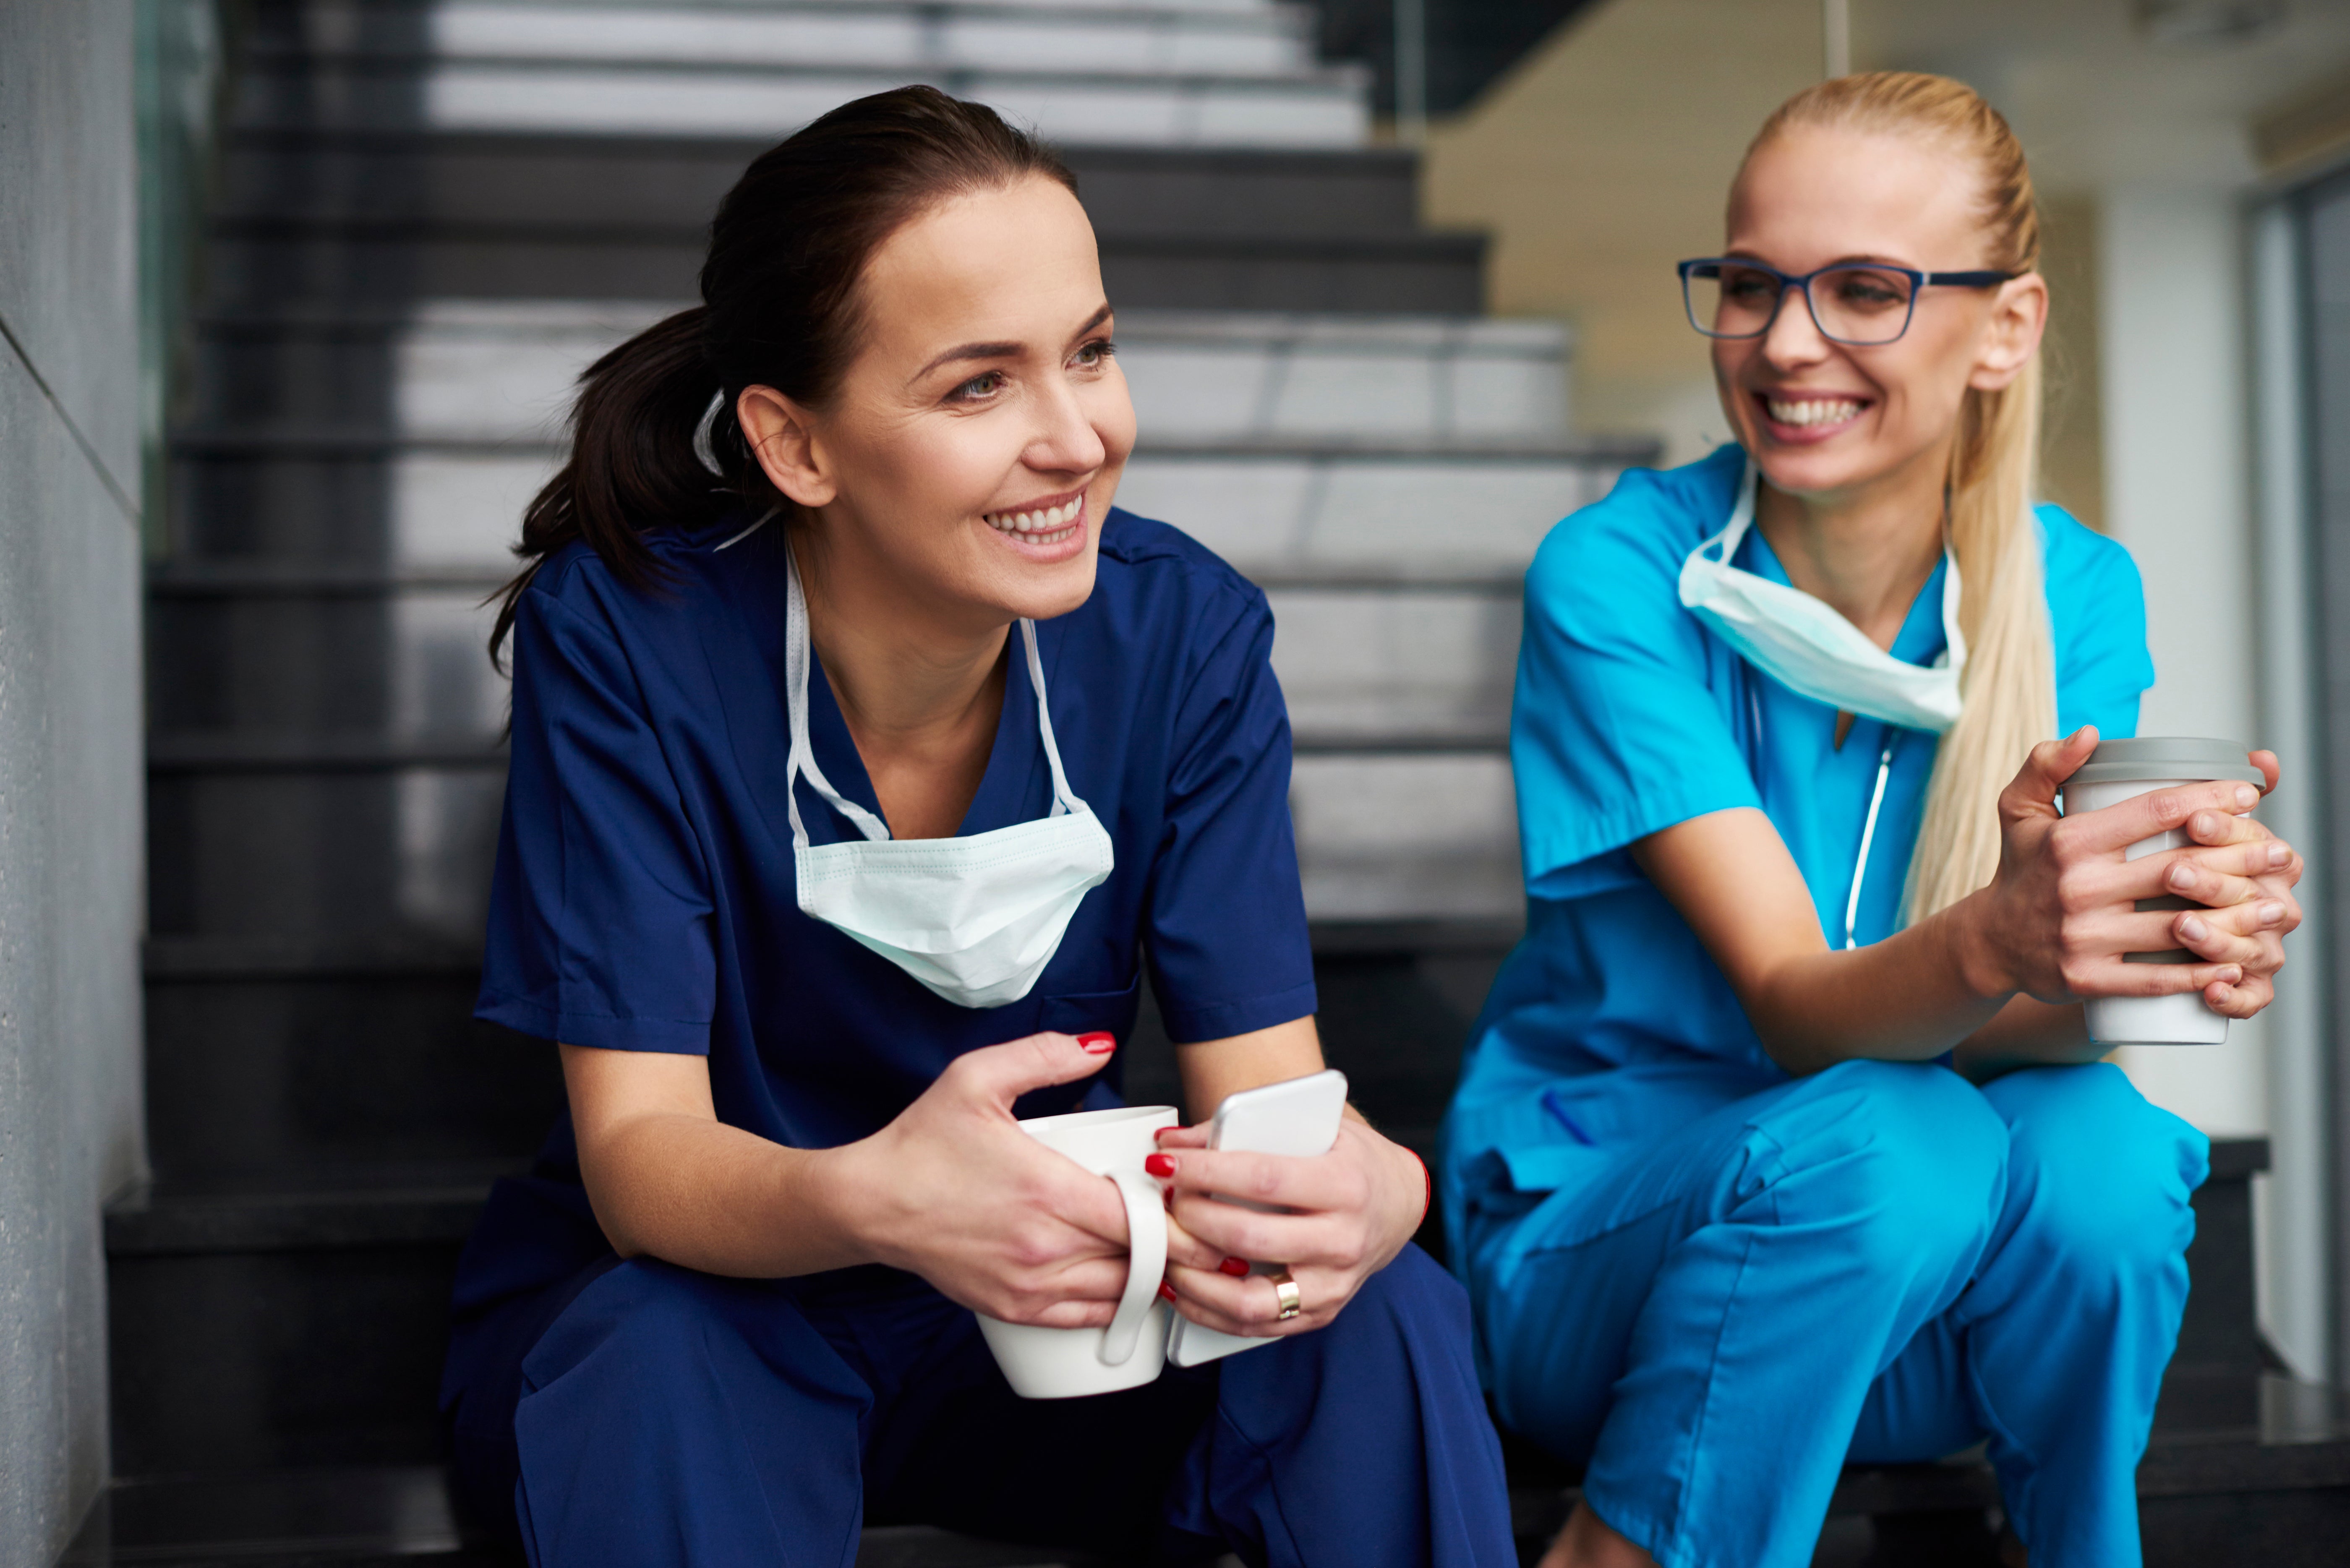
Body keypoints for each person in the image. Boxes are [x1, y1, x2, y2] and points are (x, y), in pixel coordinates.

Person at [438, 86, 1514, 1568]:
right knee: (653, 1351)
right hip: (726, 1309)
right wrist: (870, 1199)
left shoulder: (1179, 638)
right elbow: (642, 1159)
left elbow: (1270, 1106)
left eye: (1091, 351)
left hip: (1054, 1324)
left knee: (1375, 1309)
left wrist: (1377, 1189)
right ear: (794, 444)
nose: (1076, 439)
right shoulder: (631, 639)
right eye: (977, 387)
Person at [1438, 72, 2302, 1568]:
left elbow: (2013, 1035)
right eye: (1754, 284)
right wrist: (2010, 936)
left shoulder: (2076, 591)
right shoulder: (1619, 576)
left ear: (2007, 327)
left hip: (1912, 1295)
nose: (1785, 343)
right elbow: (1792, 1008)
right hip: (1617, 1268)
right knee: (1894, 1140)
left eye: (1862, 291)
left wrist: (2151, 956)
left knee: (2100, 1148)